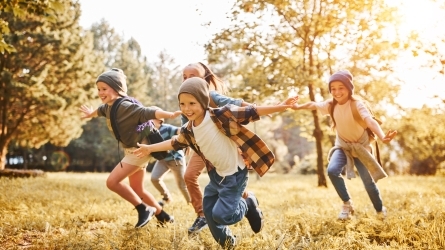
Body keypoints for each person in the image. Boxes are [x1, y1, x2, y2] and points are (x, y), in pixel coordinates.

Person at [134, 77, 299, 248]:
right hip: (216, 176)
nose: (187, 109)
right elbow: (175, 142)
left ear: (203, 101)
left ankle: (247, 204)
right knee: (209, 214)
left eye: (192, 103)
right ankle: (228, 244)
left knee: (221, 216)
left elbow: (251, 111)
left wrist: (282, 106)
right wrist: (149, 148)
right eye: (182, 104)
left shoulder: (221, 115)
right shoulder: (189, 129)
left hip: (234, 175)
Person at [79, 68, 182, 228]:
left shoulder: (125, 105)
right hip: (133, 150)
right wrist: (90, 114)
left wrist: (169, 115)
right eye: (99, 89)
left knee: (112, 182)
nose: (100, 92)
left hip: (139, 150)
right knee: (137, 189)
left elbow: (147, 112)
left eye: (104, 89)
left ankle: (143, 209)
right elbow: (99, 111)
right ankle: (163, 217)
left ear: (117, 88)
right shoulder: (108, 106)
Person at [292, 70, 397, 220]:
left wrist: (382, 136)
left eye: (341, 87)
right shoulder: (331, 105)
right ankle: (347, 204)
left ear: (349, 88)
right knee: (332, 170)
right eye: (333, 88)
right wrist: (297, 107)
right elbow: (313, 104)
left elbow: (370, 121)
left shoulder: (357, 105)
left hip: (361, 148)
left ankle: (380, 210)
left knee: (368, 182)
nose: (336, 92)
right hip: (343, 146)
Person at [181, 62, 253, 234]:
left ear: (204, 78)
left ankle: (247, 202)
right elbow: (185, 126)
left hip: (223, 145)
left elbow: (234, 103)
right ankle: (202, 215)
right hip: (203, 148)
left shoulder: (212, 96)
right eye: (184, 77)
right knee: (189, 176)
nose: (187, 80)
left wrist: (253, 108)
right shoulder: (186, 100)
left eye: (192, 76)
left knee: (228, 180)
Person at [148, 111, 191, 205]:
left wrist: (187, 143)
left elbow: (182, 132)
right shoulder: (150, 132)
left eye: (151, 118)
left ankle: (191, 203)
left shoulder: (167, 128)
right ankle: (167, 197)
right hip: (163, 160)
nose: (148, 121)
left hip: (176, 159)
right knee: (154, 178)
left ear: (159, 120)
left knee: (182, 185)